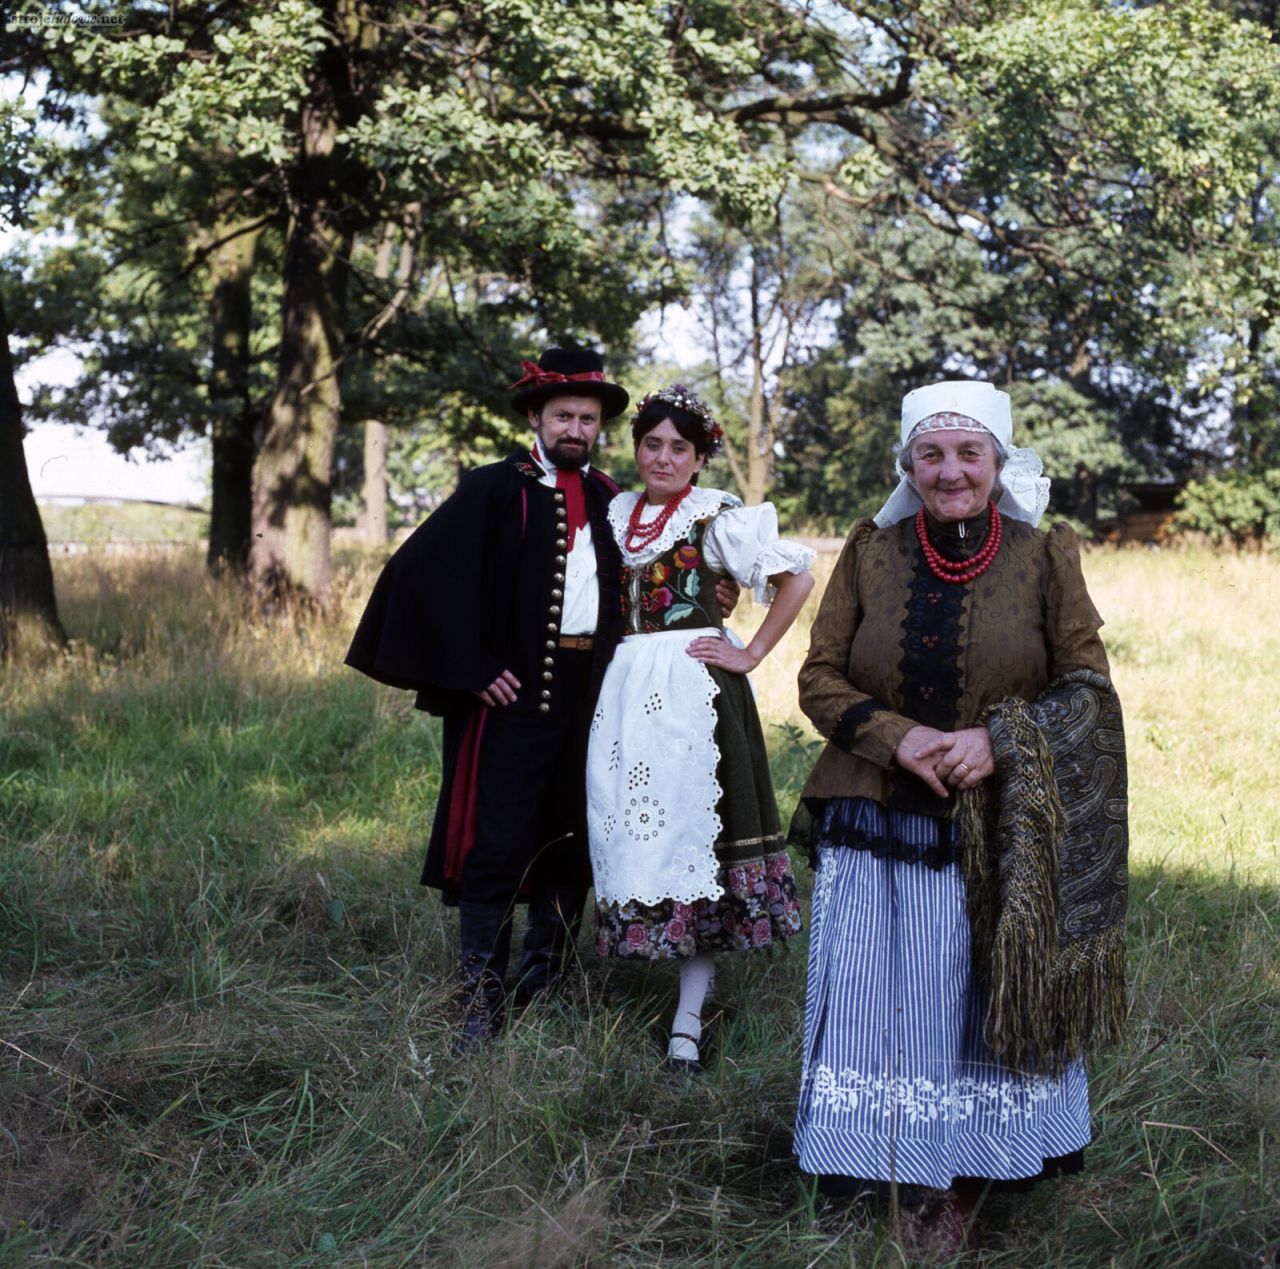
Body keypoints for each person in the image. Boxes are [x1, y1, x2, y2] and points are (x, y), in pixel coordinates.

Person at [789, 381, 1128, 1250]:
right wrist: (896, 737)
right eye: (930, 455)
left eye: (967, 454)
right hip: (876, 816)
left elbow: (1089, 690)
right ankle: (881, 1160)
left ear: (998, 463)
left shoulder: (1046, 553)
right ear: (907, 464)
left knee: (976, 1002)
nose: (949, 472)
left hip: (1003, 831)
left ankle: (967, 1184)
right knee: (882, 999)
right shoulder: (870, 549)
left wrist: (999, 740)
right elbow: (820, 677)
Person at [345, 348, 738, 1048]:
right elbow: (417, 575)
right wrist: (469, 667)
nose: (576, 428)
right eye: (564, 415)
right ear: (536, 416)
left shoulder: (613, 498)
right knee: (496, 842)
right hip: (513, 700)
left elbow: (656, 576)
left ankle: (543, 977)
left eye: (588, 418)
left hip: (596, 699)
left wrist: (719, 592)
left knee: (569, 839)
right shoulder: (495, 487)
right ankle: (481, 997)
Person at [586, 384, 815, 1071]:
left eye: (677, 447)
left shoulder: (715, 515)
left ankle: (687, 1023)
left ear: (698, 456)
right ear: (634, 449)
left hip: (695, 691)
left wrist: (748, 652)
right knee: (641, 830)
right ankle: (656, 963)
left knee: (700, 842)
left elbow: (797, 578)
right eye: (650, 444)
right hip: (629, 690)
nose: (662, 457)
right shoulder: (619, 511)